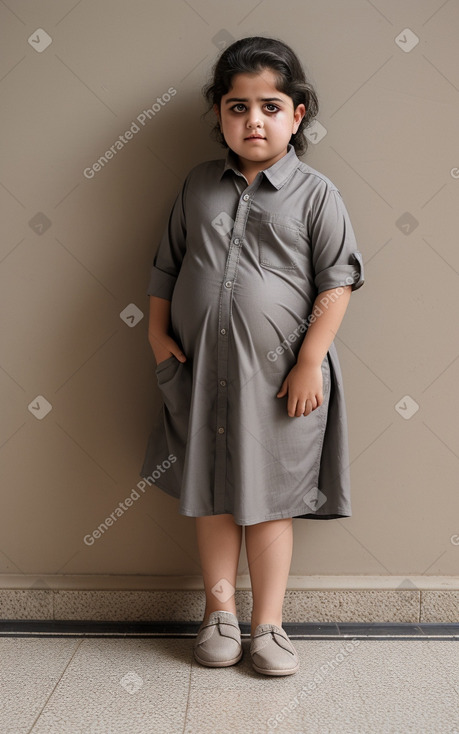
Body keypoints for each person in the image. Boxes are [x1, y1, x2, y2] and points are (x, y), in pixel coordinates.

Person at [140, 36, 364, 676]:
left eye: (271, 106)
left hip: (280, 383)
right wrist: (158, 337)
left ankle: (269, 626)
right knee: (211, 493)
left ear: (297, 115)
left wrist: (308, 360)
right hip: (198, 374)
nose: (254, 120)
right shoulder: (197, 184)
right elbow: (166, 265)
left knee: (268, 501)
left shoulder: (316, 193)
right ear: (219, 115)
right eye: (238, 107)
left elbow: (338, 280)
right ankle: (218, 616)